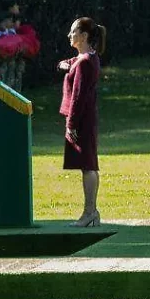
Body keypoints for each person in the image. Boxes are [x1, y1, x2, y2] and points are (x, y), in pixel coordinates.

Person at [58, 17, 105, 228]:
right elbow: (74, 63)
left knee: (88, 167)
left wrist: (71, 124)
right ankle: (92, 212)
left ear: (84, 36)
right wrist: (65, 64)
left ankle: (89, 212)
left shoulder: (85, 62)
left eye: (73, 32)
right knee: (89, 165)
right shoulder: (87, 58)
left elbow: (78, 96)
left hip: (82, 120)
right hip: (86, 119)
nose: (70, 36)